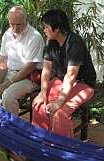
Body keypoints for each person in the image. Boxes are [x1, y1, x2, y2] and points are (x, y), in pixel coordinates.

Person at [32, 8, 96, 138]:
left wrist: (59, 101)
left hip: (83, 83)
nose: (43, 30)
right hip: (61, 81)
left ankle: (64, 151)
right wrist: (43, 93)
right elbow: (46, 69)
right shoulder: (51, 42)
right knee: (38, 104)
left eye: (46, 27)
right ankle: (40, 141)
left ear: (57, 28)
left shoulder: (75, 43)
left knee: (60, 113)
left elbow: (71, 75)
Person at [0, 6, 45, 114]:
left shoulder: (35, 37)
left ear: (26, 21)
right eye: (12, 24)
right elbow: (3, 60)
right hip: (10, 73)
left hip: (29, 77)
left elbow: (29, 67)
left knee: (8, 96)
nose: (15, 28)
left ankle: (10, 127)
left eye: (19, 24)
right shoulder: (7, 34)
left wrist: (7, 84)